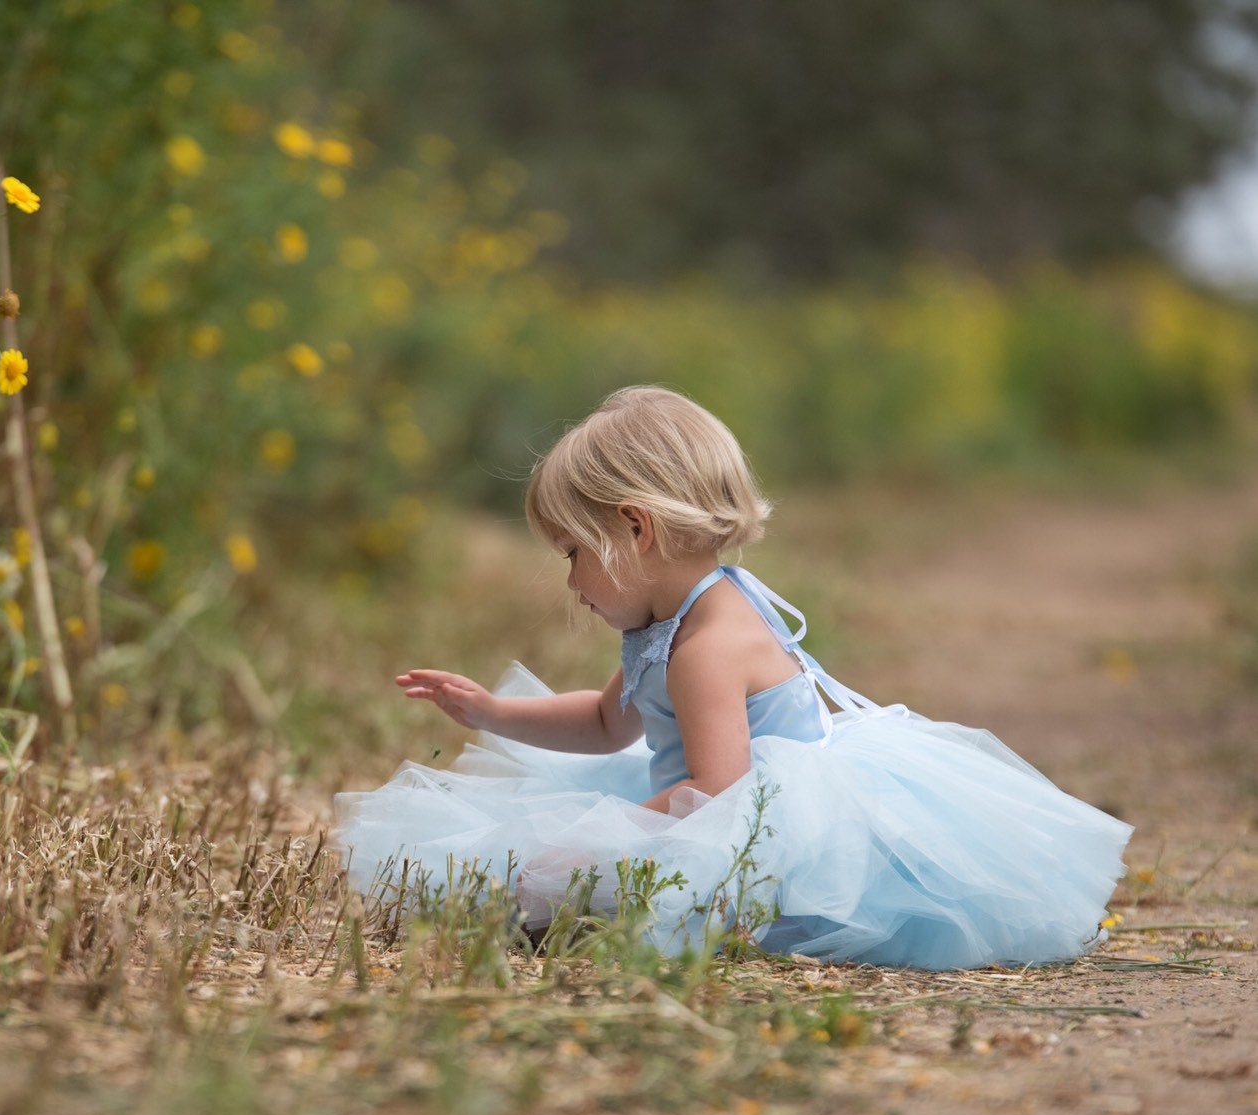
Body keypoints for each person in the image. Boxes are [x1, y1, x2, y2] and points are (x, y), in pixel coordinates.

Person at [334, 386, 1131, 969]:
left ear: (633, 531)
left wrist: (585, 847)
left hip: (761, 833)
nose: (571, 580)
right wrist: (491, 711)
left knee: (543, 872)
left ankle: (675, 919)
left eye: (572, 553)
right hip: (707, 809)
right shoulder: (664, 628)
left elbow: (718, 798)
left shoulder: (707, 646)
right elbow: (610, 725)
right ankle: (570, 908)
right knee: (539, 868)